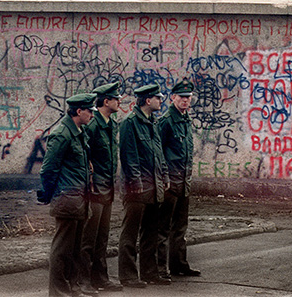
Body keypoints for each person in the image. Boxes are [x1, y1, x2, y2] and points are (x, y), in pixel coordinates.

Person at [38, 92, 97, 297]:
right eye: (89, 111)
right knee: (62, 248)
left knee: (75, 248)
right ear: (79, 111)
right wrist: (48, 194)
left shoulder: (79, 132)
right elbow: (48, 169)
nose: (92, 114)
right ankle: (58, 291)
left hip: (79, 198)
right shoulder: (62, 133)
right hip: (67, 198)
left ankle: (72, 287)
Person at [118, 83, 169, 288]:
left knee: (150, 231)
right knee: (130, 232)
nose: (161, 101)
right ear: (148, 100)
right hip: (136, 188)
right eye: (158, 98)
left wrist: (164, 176)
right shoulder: (130, 122)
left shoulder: (152, 121)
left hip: (154, 185)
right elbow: (129, 156)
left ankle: (149, 272)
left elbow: (158, 152)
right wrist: (136, 183)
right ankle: (128, 276)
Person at [79, 81, 123, 293]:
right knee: (89, 238)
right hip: (95, 189)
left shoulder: (111, 123)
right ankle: (84, 279)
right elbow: (84, 155)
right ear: (106, 101)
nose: (119, 101)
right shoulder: (94, 125)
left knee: (102, 236)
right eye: (116, 98)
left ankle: (100, 277)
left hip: (108, 187)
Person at [157, 79, 201, 279]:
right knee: (163, 228)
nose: (185, 100)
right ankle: (160, 269)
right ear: (172, 97)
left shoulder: (185, 119)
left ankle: (179, 264)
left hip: (184, 182)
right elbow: (158, 153)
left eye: (188, 97)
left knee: (180, 227)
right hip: (170, 183)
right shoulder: (167, 121)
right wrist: (163, 179)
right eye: (181, 97)